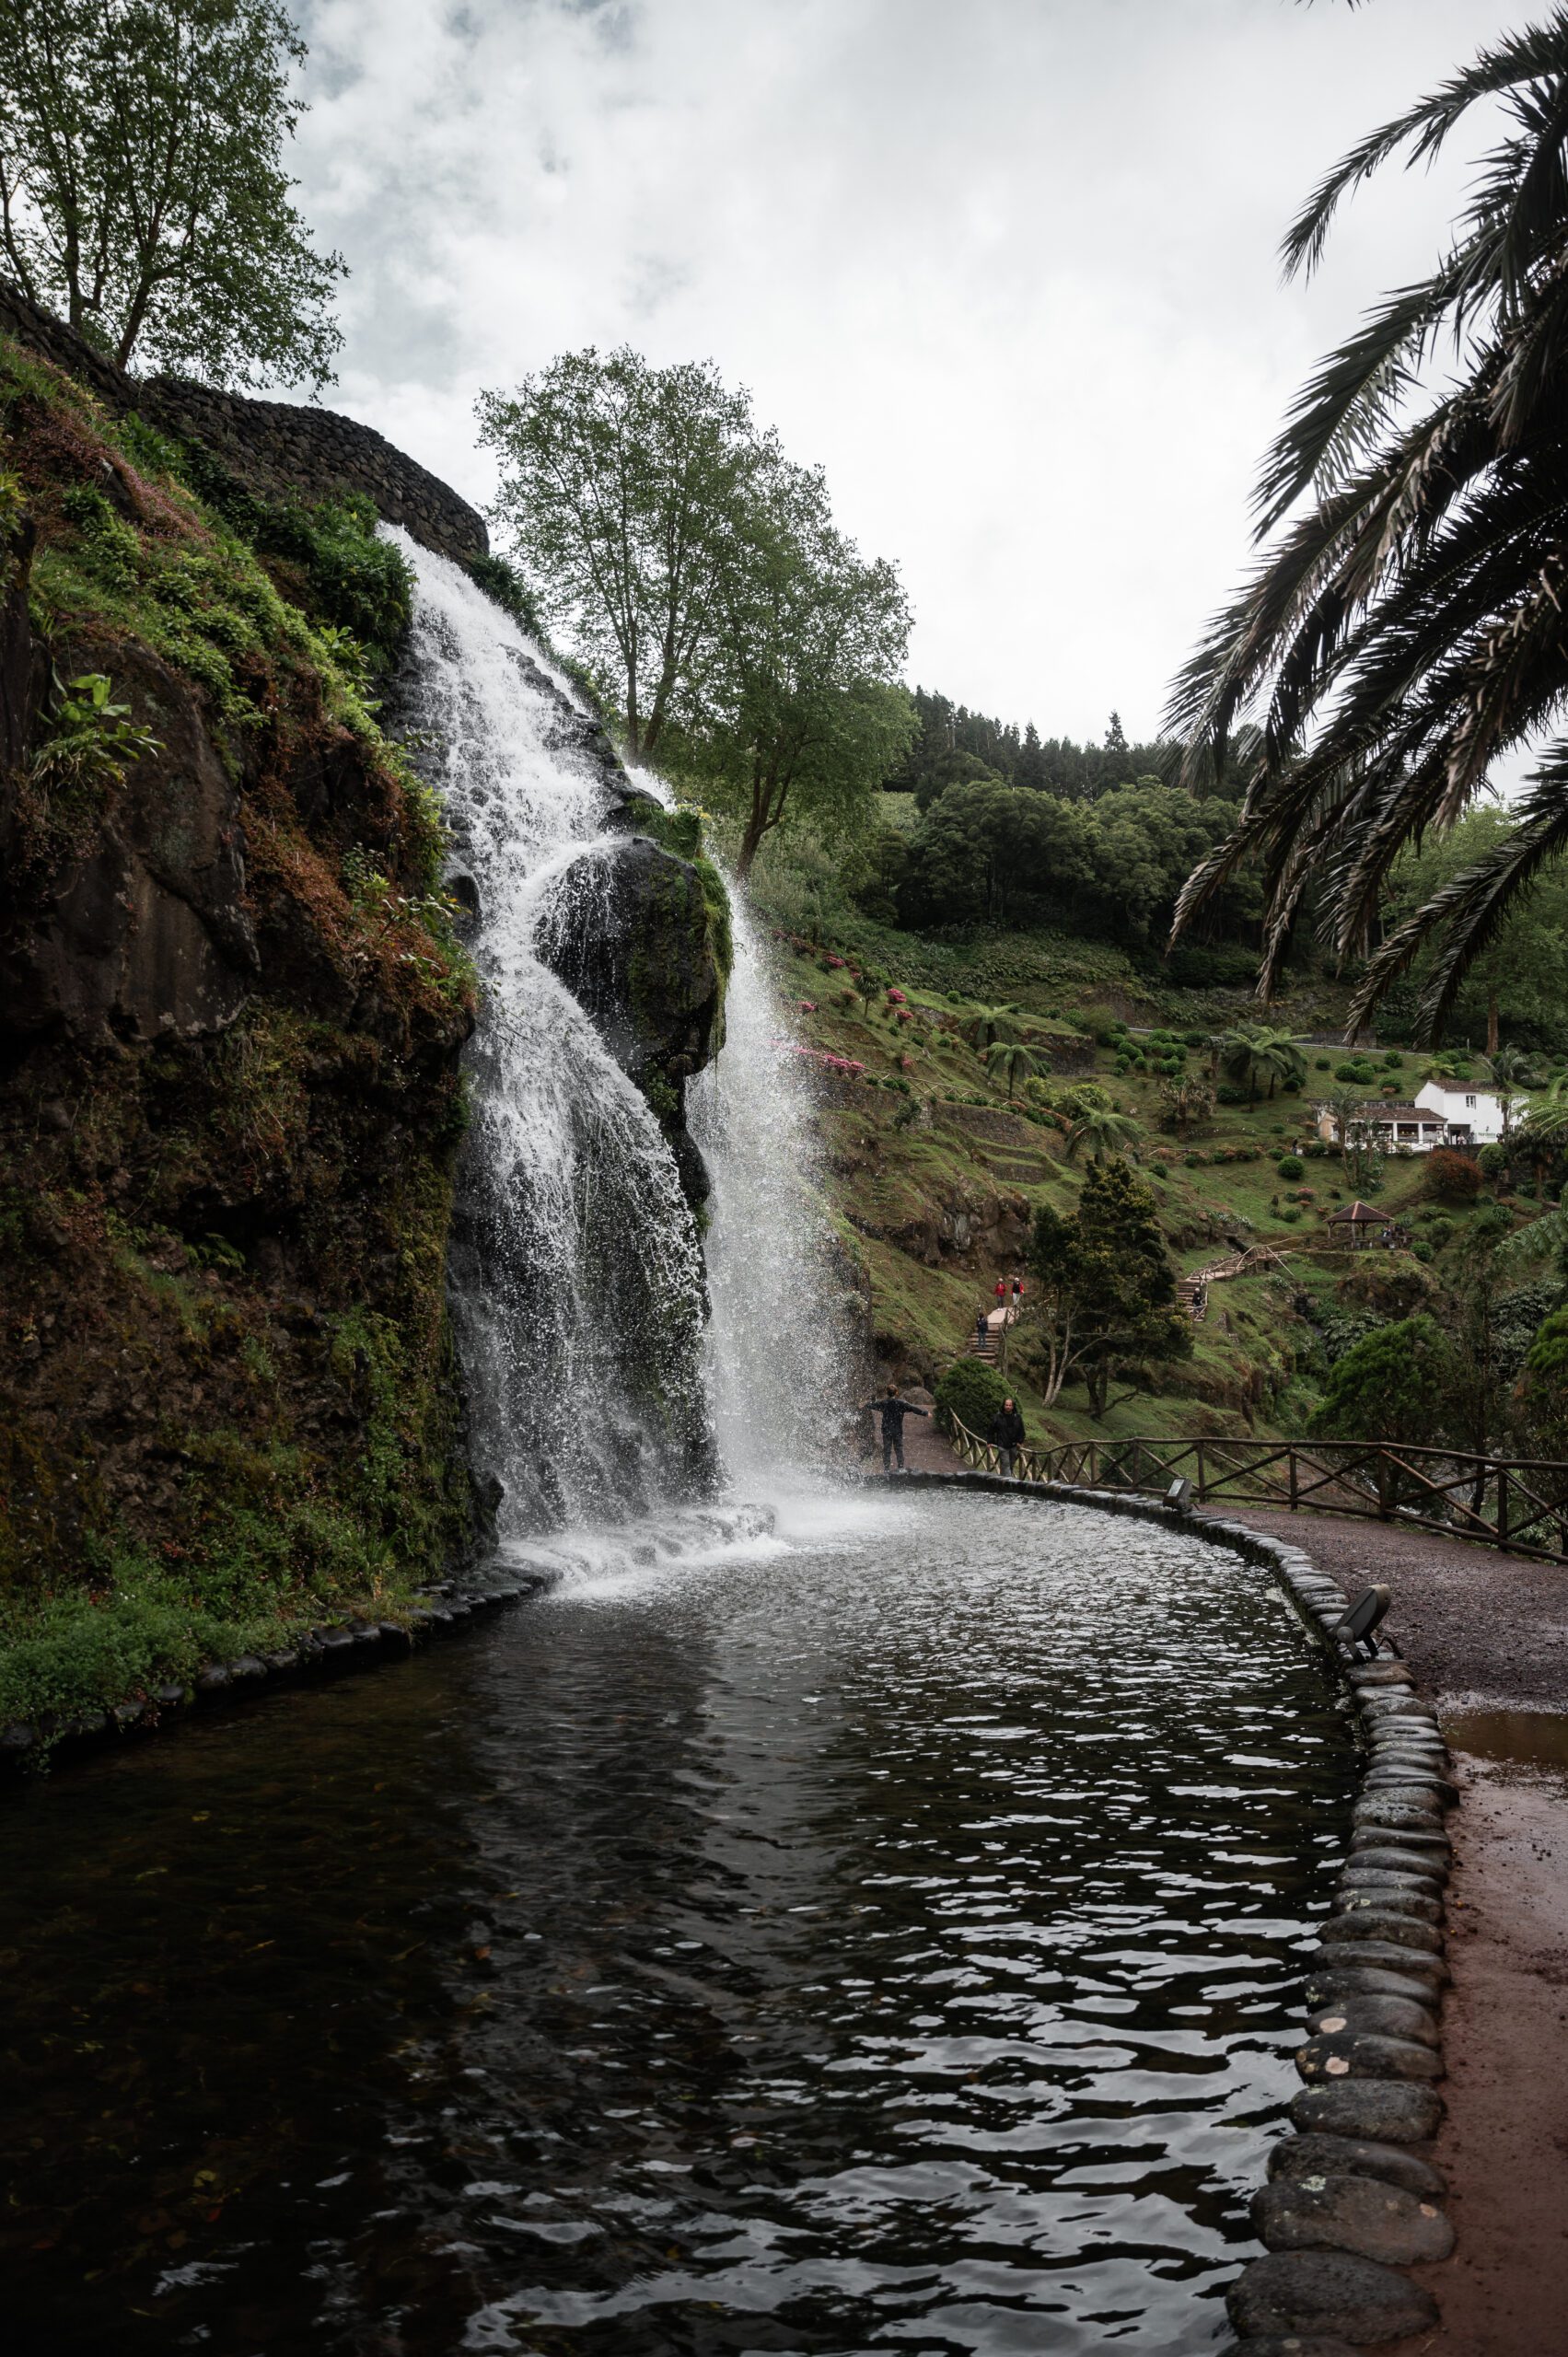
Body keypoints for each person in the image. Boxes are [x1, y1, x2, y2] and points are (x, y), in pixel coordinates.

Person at [864, 1381, 928, 1473]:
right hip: (897, 1430)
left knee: (887, 1450)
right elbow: (913, 1408)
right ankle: (900, 1468)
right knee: (899, 1449)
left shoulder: (883, 1403)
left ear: (887, 1392)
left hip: (886, 1430)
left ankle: (886, 1470)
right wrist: (925, 1413)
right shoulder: (901, 1403)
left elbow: (872, 1405)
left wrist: (864, 1405)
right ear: (897, 1392)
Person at [989, 1395, 1026, 1478]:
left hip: (1014, 1445)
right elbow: (991, 1429)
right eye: (1006, 1405)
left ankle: (1002, 1482)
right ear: (1004, 1406)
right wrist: (990, 1441)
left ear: (1013, 1406)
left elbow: (1022, 1431)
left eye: (1010, 1405)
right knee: (1006, 1464)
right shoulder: (998, 1417)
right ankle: (1009, 1483)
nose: (1008, 1407)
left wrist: (1020, 1441)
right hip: (1002, 1444)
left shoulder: (1017, 1417)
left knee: (1011, 1465)